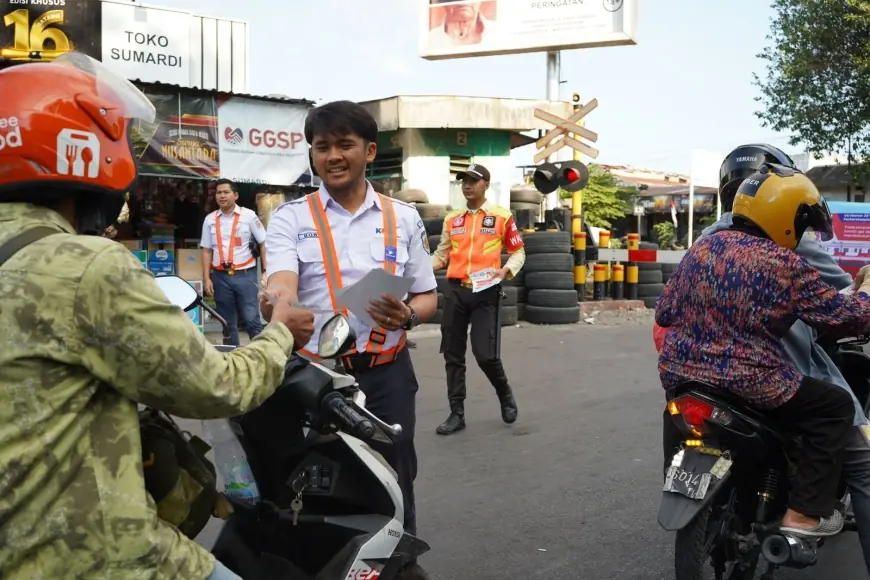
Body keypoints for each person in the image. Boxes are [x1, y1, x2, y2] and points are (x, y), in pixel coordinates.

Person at [0, 53, 315, 580]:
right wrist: (280, 335)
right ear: (79, 146)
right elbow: (217, 389)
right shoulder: (86, 266)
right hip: (94, 556)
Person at [659, 143, 870, 571]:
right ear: (785, 217)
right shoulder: (783, 260)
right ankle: (805, 513)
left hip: (683, 378)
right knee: (837, 407)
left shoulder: (703, 247)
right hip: (752, 382)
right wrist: (866, 292)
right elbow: (844, 318)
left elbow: (665, 311)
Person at [261, 100, 438, 578]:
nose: (333, 156)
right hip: (312, 382)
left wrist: (406, 316)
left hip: (386, 377)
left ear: (369, 151)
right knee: (309, 485)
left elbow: (427, 296)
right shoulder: (290, 219)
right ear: (312, 154)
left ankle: (400, 569)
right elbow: (280, 283)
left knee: (395, 483)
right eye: (322, 147)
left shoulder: (403, 218)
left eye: (345, 145)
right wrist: (277, 303)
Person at [431, 164, 525, 435]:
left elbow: (518, 251)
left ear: (486, 184)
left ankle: (504, 391)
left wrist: (507, 269)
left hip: (486, 292)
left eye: (473, 180)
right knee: (452, 354)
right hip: (456, 290)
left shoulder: (501, 217)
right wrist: (418, 268)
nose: (467, 185)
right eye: (463, 181)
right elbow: (441, 255)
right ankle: (456, 413)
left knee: (485, 354)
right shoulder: (452, 219)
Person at [201, 178, 267, 345]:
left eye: (226, 192)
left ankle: (260, 357)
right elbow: (207, 250)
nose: (222, 196)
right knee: (226, 322)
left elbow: (264, 243)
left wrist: (266, 271)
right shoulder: (210, 220)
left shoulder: (249, 216)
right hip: (220, 277)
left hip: (245, 275)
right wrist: (207, 278)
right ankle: (232, 357)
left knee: (251, 319)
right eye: (219, 193)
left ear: (235, 195)